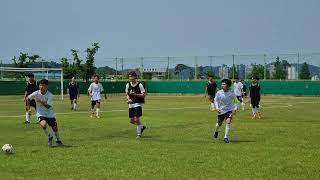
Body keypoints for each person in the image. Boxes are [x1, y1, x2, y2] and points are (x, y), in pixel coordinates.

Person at [27, 79, 63, 146]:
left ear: (46, 86)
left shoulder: (50, 95)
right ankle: (50, 136)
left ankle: (58, 139)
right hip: (40, 113)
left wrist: (40, 101)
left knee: (54, 128)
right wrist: (28, 108)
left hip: (50, 114)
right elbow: (28, 98)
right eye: (40, 85)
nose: (41, 87)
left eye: (43, 85)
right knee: (43, 125)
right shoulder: (36, 93)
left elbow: (48, 106)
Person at [213, 79, 237, 143]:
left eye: (224, 84)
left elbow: (235, 101)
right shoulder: (219, 93)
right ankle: (216, 131)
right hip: (221, 111)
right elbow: (216, 100)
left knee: (228, 121)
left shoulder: (231, 93)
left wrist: (235, 108)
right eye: (222, 84)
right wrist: (217, 108)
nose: (222, 85)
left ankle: (226, 137)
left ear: (228, 86)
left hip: (229, 110)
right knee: (219, 124)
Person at [125, 71, 147, 139]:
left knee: (136, 119)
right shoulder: (128, 85)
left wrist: (135, 95)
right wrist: (128, 99)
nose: (130, 78)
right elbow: (127, 94)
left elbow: (144, 95)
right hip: (131, 105)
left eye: (132, 76)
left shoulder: (140, 85)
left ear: (135, 77)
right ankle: (141, 127)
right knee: (132, 121)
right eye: (129, 76)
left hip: (138, 104)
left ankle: (138, 134)